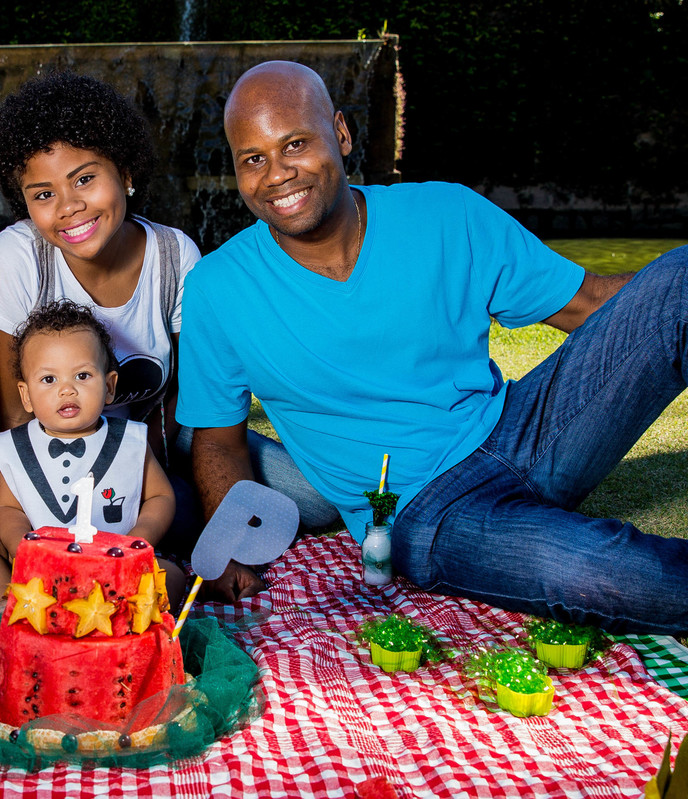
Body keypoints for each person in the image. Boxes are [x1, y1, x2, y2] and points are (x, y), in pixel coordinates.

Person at [176, 59, 688, 632]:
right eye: (253, 159)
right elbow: (218, 440)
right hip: (425, 510)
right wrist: (228, 544)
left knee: (681, 280)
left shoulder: (447, 213)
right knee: (601, 571)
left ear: (340, 135)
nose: (276, 174)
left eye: (294, 143)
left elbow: (592, 305)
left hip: (526, 427)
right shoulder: (218, 289)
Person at [0, 70, 336, 558]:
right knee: (171, 523)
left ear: (125, 174)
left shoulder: (174, 256)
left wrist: (151, 480)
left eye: (85, 178)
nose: (69, 206)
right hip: (56, 444)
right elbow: (14, 412)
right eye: (43, 194)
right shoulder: (13, 262)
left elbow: (192, 395)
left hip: (158, 441)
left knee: (315, 502)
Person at [0, 299, 183, 611]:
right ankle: (9, 605)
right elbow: (6, 508)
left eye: (82, 376)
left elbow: (160, 498)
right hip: (41, 571)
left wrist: (137, 541)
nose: (67, 389)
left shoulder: (129, 440)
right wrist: (23, 545)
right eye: (49, 379)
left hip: (113, 568)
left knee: (175, 576)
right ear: (26, 395)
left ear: (110, 386)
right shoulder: (16, 447)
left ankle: (125, 612)